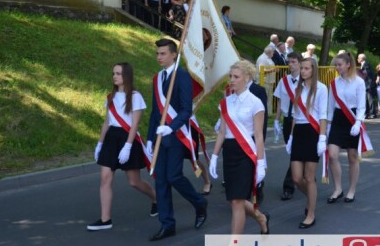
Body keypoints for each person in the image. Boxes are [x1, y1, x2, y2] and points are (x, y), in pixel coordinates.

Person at [146, 39, 208, 241]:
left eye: (163, 53)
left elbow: (186, 110)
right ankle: (167, 224)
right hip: (159, 137)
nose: (159, 57)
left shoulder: (181, 76)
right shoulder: (157, 78)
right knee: (161, 181)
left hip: (176, 137)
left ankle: (199, 203)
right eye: (157, 54)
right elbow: (156, 112)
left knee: (173, 177)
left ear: (174, 55)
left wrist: (170, 127)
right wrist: (149, 138)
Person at [87, 62, 157, 231]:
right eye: (113, 73)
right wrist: (99, 143)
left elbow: (134, 125)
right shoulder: (110, 96)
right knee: (105, 178)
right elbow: (107, 122)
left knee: (134, 182)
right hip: (111, 139)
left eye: (118, 73)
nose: (114, 76)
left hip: (128, 139)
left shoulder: (135, 96)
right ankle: (105, 220)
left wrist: (127, 146)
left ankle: (156, 199)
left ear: (126, 76)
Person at [208, 60, 270, 235]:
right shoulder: (226, 102)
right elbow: (222, 132)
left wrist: (260, 163)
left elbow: (258, 135)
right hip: (230, 152)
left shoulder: (256, 102)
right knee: (234, 200)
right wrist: (214, 156)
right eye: (230, 76)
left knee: (237, 201)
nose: (231, 80)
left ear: (247, 77)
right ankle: (260, 217)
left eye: (236, 77)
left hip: (246, 154)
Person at [285, 57, 327, 229]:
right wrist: (292, 137)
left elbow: (323, 115)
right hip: (300, 132)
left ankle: (311, 213)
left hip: (313, 132)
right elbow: (295, 115)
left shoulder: (322, 89)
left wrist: (322, 139)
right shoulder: (298, 88)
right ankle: (312, 199)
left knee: (309, 177)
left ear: (313, 70)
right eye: (302, 68)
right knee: (296, 178)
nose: (303, 71)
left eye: (307, 68)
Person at [327, 52, 366, 206]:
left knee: (352, 157)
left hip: (352, 118)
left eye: (339, 65)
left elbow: (362, 105)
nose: (337, 67)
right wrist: (328, 126)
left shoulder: (359, 82)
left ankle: (351, 189)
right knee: (332, 155)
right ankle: (337, 189)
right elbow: (330, 106)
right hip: (337, 119)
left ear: (348, 65)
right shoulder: (334, 83)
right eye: (336, 65)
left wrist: (358, 123)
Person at [273, 52, 303, 201]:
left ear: (300, 63)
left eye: (293, 62)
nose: (290, 64)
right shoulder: (283, 81)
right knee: (295, 153)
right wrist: (276, 120)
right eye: (289, 62)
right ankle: (303, 177)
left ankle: (288, 186)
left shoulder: (305, 82)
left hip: (301, 121)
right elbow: (279, 101)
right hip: (287, 120)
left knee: (295, 153)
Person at [255, 46, 276, 111]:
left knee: (269, 98)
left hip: (269, 81)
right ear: (270, 52)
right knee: (264, 97)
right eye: (273, 52)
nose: (273, 53)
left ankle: (268, 112)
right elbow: (262, 70)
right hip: (264, 81)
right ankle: (263, 112)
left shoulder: (268, 58)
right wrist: (273, 69)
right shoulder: (262, 59)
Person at [357, 54, 377, 119]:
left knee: (370, 99)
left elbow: (365, 73)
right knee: (366, 99)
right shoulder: (363, 64)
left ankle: (373, 113)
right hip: (366, 84)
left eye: (358, 58)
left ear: (362, 58)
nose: (357, 59)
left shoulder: (366, 64)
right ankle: (367, 113)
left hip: (369, 84)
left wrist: (358, 72)